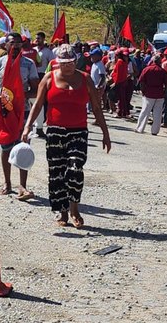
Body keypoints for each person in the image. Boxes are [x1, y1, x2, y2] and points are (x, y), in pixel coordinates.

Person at [22, 44, 110, 228]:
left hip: (78, 131)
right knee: (57, 172)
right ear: (57, 62)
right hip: (55, 131)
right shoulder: (48, 78)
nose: (67, 66)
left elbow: (96, 107)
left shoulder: (85, 79)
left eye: (70, 62)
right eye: (63, 62)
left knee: (75, 168)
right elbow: (37, 105)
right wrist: (27, 126)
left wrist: (105, 133)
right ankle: (62, 212)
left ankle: (74, 208)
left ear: (75, 61)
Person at [0, 32, 39, 201]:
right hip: (4, 111)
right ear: (5, 45)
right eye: (11, 43)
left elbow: (36, 89)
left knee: (23, 146)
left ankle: (22, 185)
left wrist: (23, 94)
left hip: (23, 111)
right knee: (6, 147)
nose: (15, 46)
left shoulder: (28, 64)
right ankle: (7, 183)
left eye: (18, 43)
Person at [135, 54, 167, 135]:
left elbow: (142, 82)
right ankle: (155, 131)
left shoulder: (147, 69)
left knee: (145, 111)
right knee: (158, 113)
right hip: (160, 93)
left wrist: (143, 91)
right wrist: (165, 93)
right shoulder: (163, 71)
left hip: (149, 93)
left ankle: (140, 128)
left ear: (153, 61)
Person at [111, 49, 131, 119]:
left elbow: (118, 74)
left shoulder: (120, 62)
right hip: (123, 81)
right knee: (122, 98)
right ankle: (124, 112)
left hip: (120, 82)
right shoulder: (124, 62)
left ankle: (119, 112)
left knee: (120, 98)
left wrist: (115, 83)